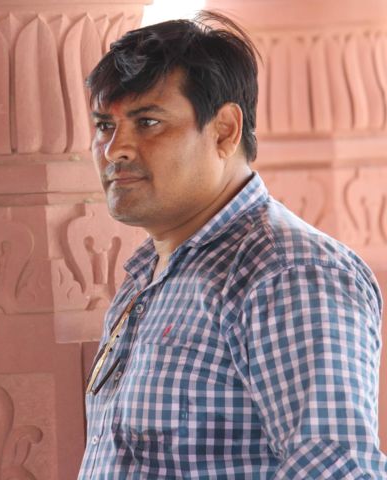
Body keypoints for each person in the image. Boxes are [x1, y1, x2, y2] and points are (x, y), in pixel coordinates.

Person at [78, 11, 387, 479]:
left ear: (224, 129)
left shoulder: (287, 272)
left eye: (148, 122)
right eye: (105, 125)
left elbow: (335, 470)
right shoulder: (149, 273)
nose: (114, 149)